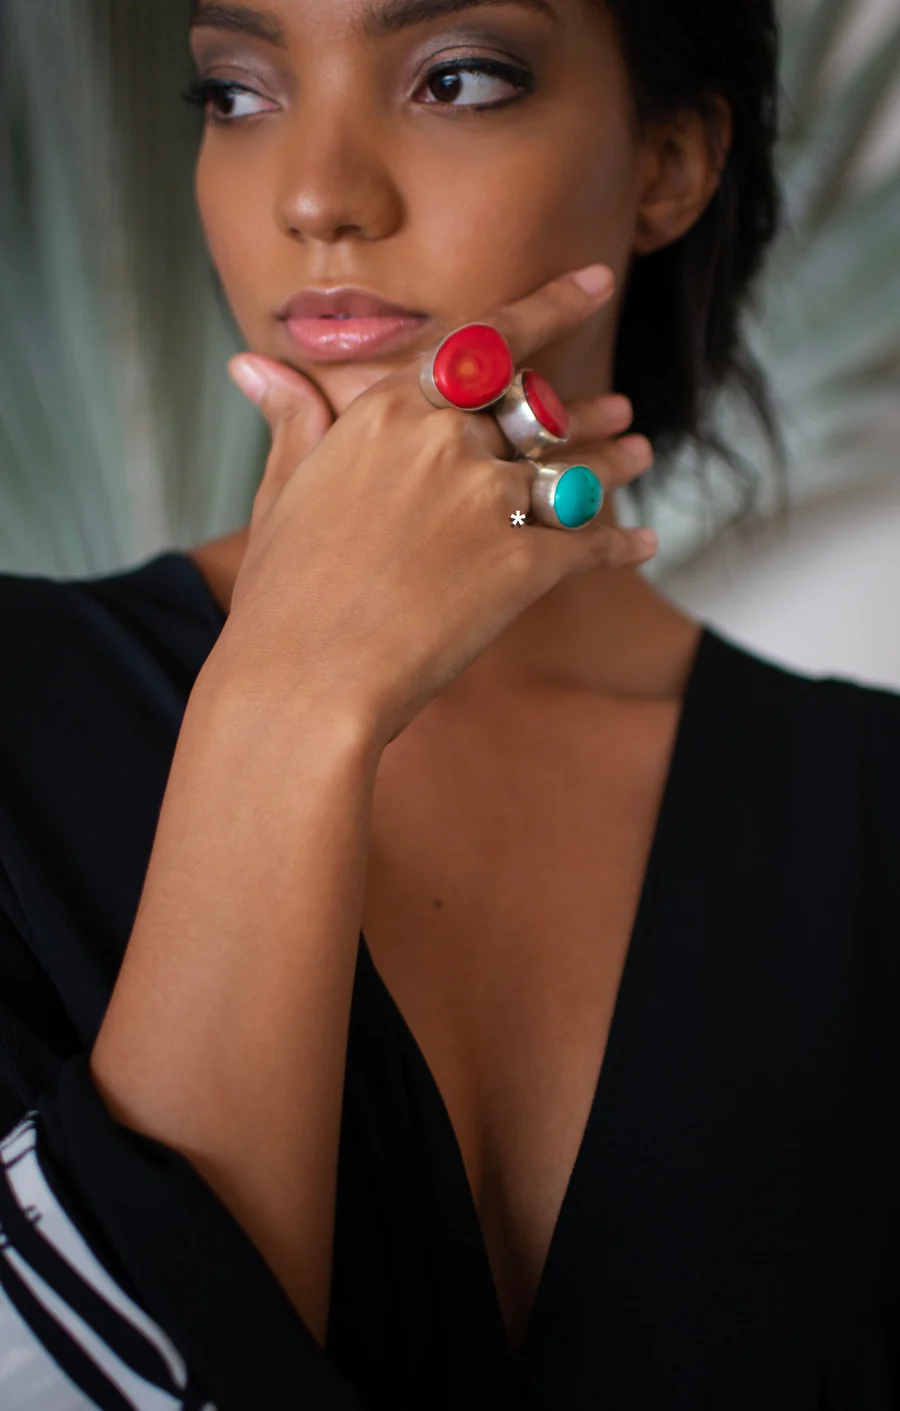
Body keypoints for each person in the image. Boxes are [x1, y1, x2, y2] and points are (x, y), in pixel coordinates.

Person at [0, 0, 898, 1407]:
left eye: (457, 78)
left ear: (667, 163)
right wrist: (290, 701)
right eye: (237, 93)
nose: (316, 194)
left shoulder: (872, 809)